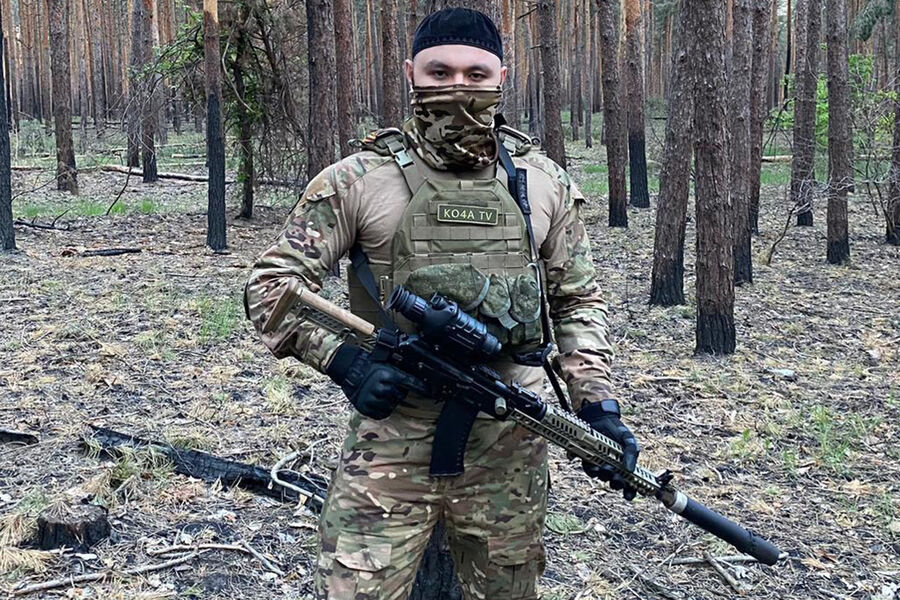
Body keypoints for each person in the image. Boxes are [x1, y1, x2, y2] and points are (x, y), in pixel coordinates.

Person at [244, 8, 640, 599]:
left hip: (510, 435)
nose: (458, 88)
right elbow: (270, 286)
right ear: (411, 74)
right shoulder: (358, 179)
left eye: (476, 75)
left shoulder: (543, 183)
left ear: (502, 76)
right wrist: (345, 362)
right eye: (440, 72)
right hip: (392, 433)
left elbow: (577, 299)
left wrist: (597, 405)